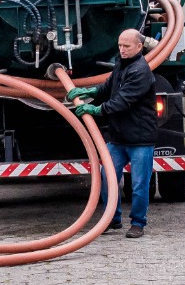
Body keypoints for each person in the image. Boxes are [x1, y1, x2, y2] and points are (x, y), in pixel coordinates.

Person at [67, 29, 158, 239]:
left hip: (140, 139)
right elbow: (108, 87)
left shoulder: (140, 71)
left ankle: (138, 223)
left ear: (139, 47)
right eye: (119, 45)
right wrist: (90, 92)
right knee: (106, 177)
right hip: (118, 137)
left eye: (126, 46)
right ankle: (112, 219)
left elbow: (122, 101)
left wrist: (95, 110)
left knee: (138, 184)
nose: (122, 49)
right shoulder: (121, 64)